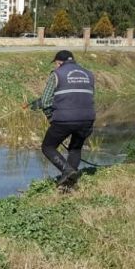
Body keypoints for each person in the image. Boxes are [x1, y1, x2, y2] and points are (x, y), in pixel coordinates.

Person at [30, 50, 96, 190]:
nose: (55, 66)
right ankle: (69, 184)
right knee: (75, 148)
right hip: (87, 119)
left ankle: (67, 170)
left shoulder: (57, 74)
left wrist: (51, 117)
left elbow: (46, 101)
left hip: (64, 120)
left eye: (55, 63)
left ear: (59, 62)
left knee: (48, 147)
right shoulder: (89, 74)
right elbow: (84, 96)